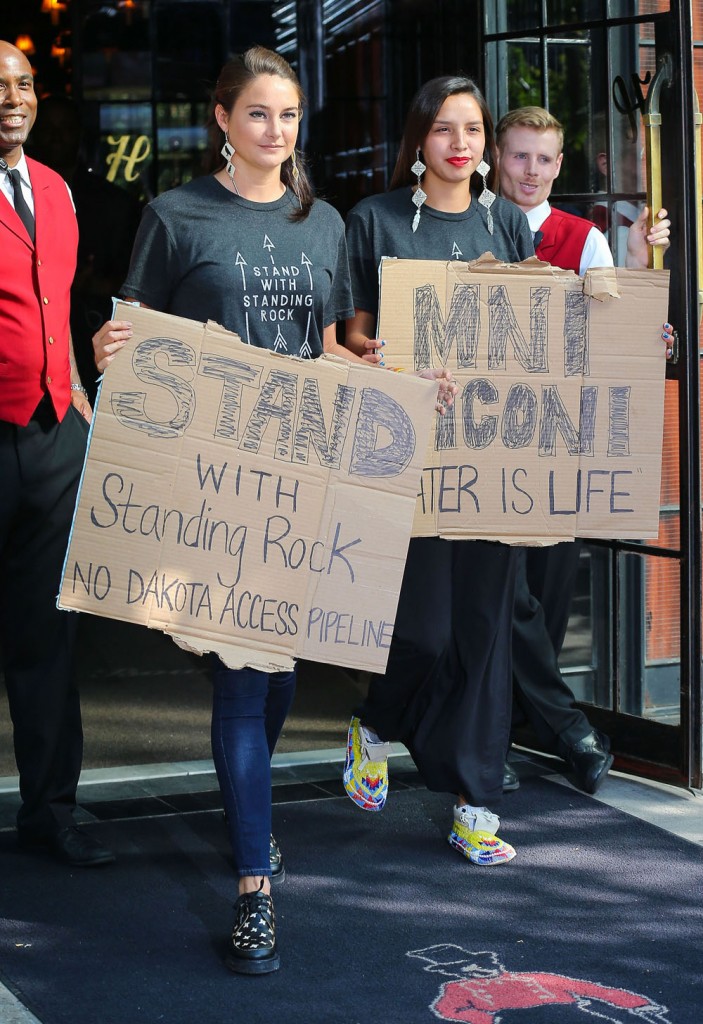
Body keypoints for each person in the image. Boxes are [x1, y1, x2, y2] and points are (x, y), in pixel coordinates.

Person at [92, 45, 455, 976]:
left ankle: (249, 834)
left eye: (289, 116)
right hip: (213, 485)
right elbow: (137, 331)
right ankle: (255, 888)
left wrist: (405, 389)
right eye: (259, 114)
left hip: (301, 479)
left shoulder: (321, 221)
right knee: (241, 682)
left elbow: (333, 349)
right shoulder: (175, 217)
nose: (276, 132)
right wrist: (109, 345)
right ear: (222, 118)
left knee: (280, 671)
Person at [340, 75, 535, 867]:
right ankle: (375, 720)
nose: (461, 143)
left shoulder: (509, 222)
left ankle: (473, 803)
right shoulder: (374, 220)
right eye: (444, 129)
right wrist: (378, 358)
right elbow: (352, 337)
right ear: (417, 139)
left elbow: (540, 331)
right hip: (405, 458)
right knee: (421, 633)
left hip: (491, 461)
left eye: (473, 129)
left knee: (485, 636)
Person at [495, 105, 672, 793]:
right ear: (497, 161)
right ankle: (566, 730)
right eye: (518, 157)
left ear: (559, 165)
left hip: (558, 443)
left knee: (545, 594)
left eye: (543, 159)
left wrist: (636, 297)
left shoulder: (584, 239)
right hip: (484, 448)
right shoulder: (468, 228)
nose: (531, 171)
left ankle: (518, 729)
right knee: (501, 597)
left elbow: (612, 331)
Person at [0, 41, 115, 867]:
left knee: (46, 638)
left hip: (50, 437)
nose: (11, 97)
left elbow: (57, 306)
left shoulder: (56, 189)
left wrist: (75, 390)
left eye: (23, 84)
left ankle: (50, 811)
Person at [26, 94, 143, 405]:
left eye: (65, 128)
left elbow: (137, 282)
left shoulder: (114, 203)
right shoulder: (13, 197)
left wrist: (94, 284)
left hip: (95, 328)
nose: (56, 136)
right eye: (48, 128)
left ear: (79, 134)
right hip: (31, 339)